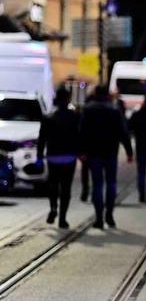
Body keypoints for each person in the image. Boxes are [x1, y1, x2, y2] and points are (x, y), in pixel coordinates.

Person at [79, 85, 133, 229]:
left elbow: (82, 132)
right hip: (110, 152)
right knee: (111, 183)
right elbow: (123, 131)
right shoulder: (114, 110)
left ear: (96, 93)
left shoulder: (88, 109)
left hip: (94, 152)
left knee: (97, 185)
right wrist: (129, 151)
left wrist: (82, 151)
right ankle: (109, 213)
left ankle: (99, 217)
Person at [36, 86, 80, 228]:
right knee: (66, 188)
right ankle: (62, 218)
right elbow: (79, 137)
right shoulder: (75, 117)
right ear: (67, 100)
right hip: (69, 157)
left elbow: (42, 139)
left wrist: (39, 157)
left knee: (53, 185)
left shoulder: (48, 117)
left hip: (53, 157)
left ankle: (53, 208)